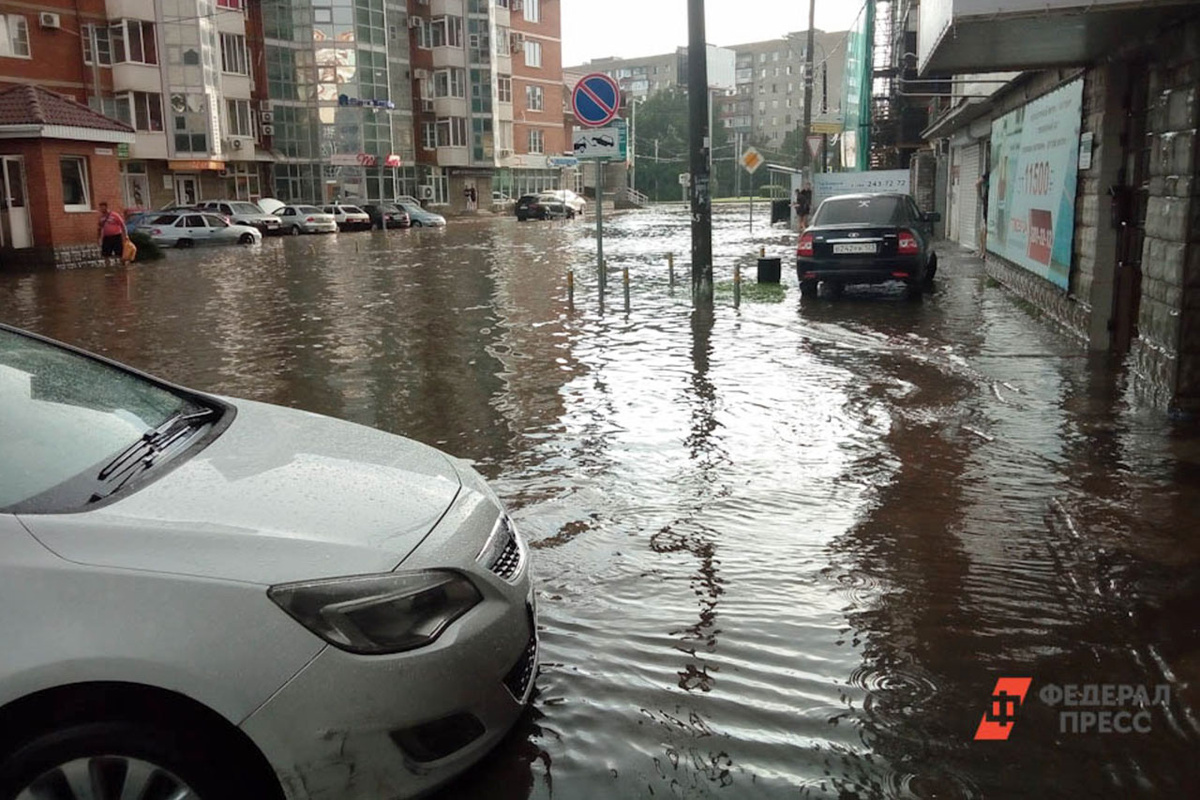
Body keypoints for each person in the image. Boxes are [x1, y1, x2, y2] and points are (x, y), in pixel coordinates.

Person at [976, 170, 990, 257]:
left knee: (984, 227)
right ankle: (983, 252)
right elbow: (977, 183)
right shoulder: (990, 174)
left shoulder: (989, 173)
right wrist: (981, 196)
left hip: (987, 203)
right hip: (989, 204)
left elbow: (977, 183)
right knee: (985, 228)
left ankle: (982, 251)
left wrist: (980, 196)